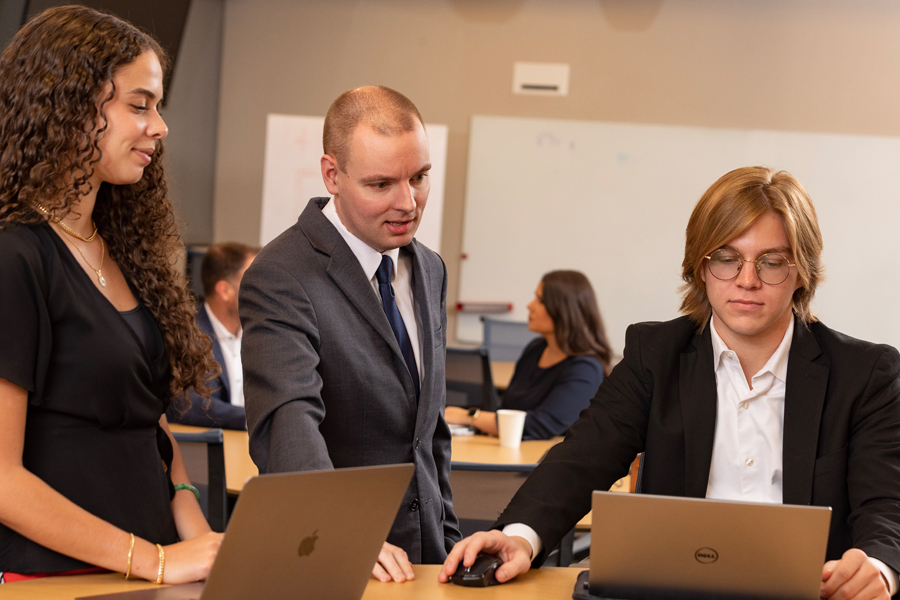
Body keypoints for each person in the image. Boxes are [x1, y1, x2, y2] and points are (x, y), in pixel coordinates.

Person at [440, 166, 900, 600]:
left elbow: (886, 503)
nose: (746, 281)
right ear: (700, 267)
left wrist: (878, 565)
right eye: (726, 259)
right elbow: (583, 457)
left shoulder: (864, 374)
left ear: (800, 272)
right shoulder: (655, 355)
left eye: (771, 262)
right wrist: (519, 536)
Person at [0, 6, 223, 584]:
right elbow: (1, 479)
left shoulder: (122, 249)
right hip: (57, 579)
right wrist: (154, 559)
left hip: (146, 569)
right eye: (140, 105)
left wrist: (197, 535)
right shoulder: (15, 255)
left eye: (159, 107)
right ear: (69, 106)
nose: (160, 127)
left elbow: (148, 422)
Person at [240, 85, 461, 583]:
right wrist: (339, 535)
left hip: (423, 562)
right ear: (332, 175)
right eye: (381, 184)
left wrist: (448, 539)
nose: (408, 203)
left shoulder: (428, 267)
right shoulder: (281, 273)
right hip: (333, 559)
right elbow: (290, 425)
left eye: (420, 177)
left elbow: (429, 431)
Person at [445, 270, 612, 439]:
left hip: (544, 459)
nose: (530, 305)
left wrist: (468, 416)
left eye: (541, 300)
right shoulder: (536, 348)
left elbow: (542, 425)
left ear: (564, 310)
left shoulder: (585, 369)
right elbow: (508, 409)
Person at [167, 242, 259, 430]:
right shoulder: (188, 334)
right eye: (257, 280)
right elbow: (191, 405)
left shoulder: (262, 334)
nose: (266, 290)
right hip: (216, 448)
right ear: (225, 290)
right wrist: (259, 420)